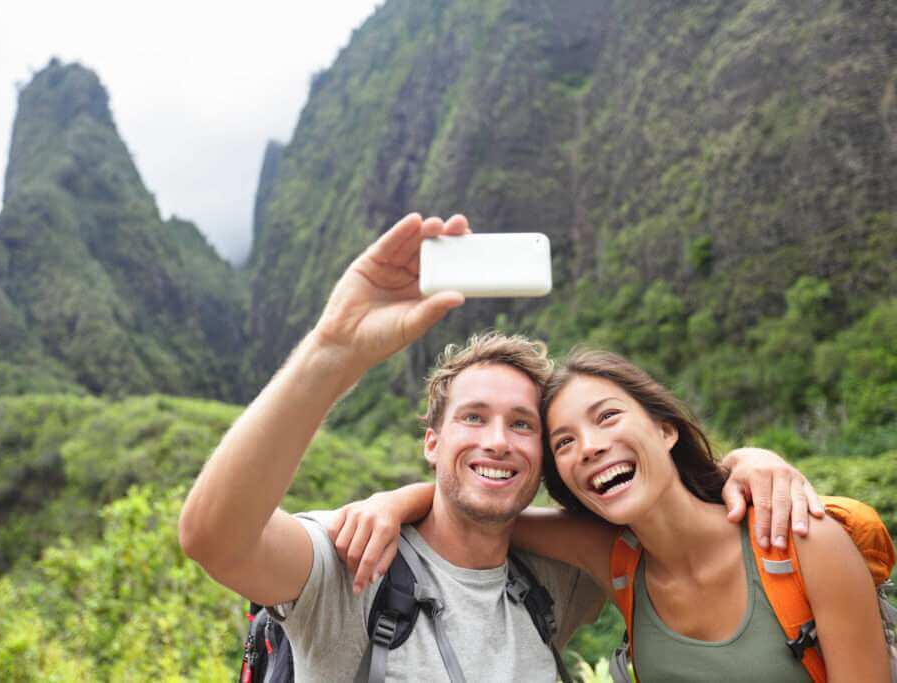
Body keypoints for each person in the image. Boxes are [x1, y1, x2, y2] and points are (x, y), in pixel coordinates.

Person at [179, 213, 821, 682]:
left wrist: (746, 462)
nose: (497, 440)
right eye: (473, 418)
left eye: (522, 425)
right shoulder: (355, 560)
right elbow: (215, 537)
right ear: (432, 441)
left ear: (544, 458)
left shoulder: (564, 575)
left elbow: (673, 520)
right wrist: (332, 350)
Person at [336, 347, 890, 681]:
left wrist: (752, 459)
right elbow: (474, 510)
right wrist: (391, 502)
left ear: (665, 429)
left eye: (607, 418)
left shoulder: (799, 540)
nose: (591, 447)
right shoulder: (615, 558)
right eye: (565, 442)